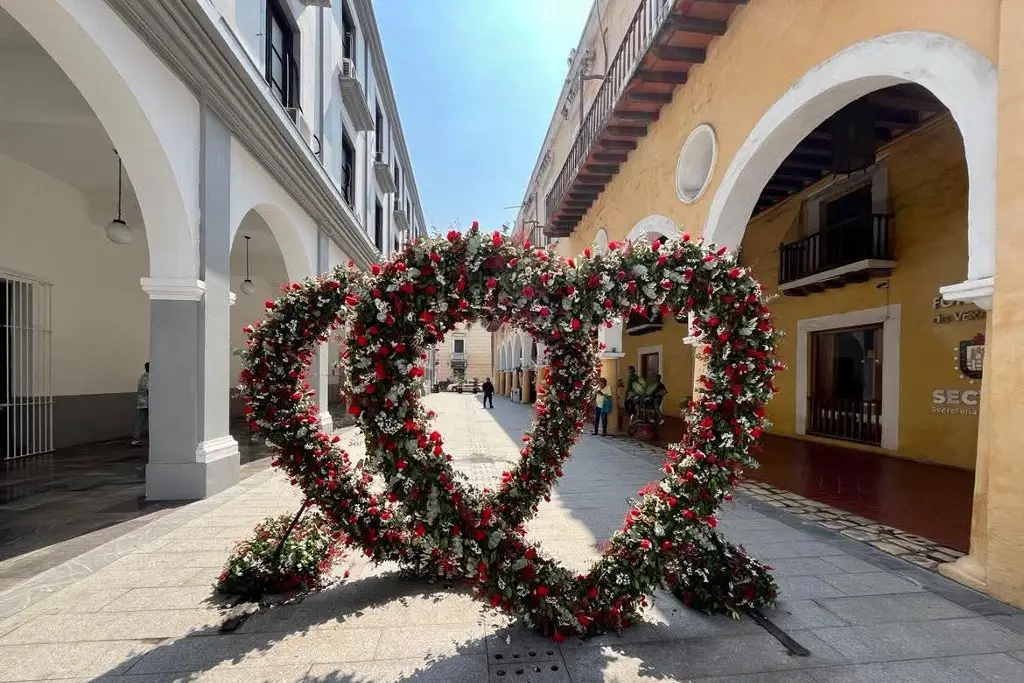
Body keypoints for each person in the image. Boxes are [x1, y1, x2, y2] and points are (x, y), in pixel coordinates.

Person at [130, 362, 149, 447]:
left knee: (140, 421)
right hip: (147, 403)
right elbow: (149, 391)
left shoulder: (141, 377)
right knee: (152, 421)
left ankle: (135, 438)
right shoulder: (149, 378)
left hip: (141, 402)